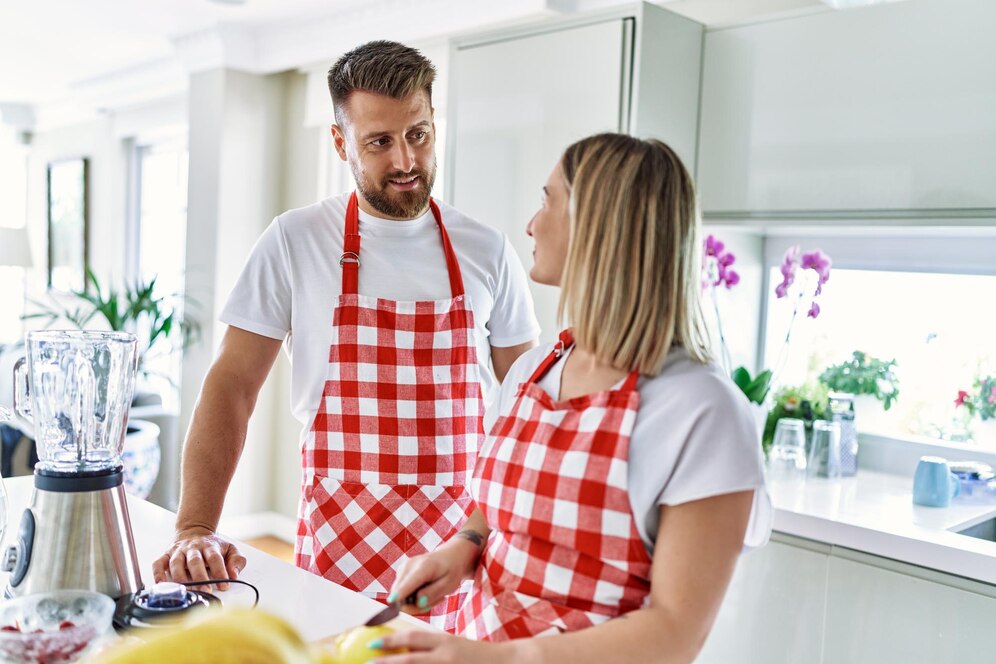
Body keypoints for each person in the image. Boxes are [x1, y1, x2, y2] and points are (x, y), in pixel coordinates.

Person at [152, 40, 540, 630]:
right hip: (339, 544)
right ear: (341, 143)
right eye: (379, 142)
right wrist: (195, 527)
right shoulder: (295, 240)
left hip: (459, 548)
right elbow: (231, 385)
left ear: (435, 123)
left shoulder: (487, 249)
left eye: (418, 134)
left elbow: (525, 406)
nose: (405, 159)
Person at [379, 133, 772, 662]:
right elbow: (506, 511)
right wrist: (464, 547)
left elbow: (675, 634)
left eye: (548, 200)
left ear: (598, 226)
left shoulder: (702, 411)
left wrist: (504, 658)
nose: (531, 223)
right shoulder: (531, 371)